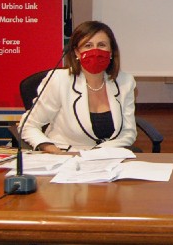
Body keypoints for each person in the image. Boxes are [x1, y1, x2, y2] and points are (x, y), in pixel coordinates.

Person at [20, 20, 137, 153]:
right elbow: (28, 126)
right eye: (88, 45)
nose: (95, 51)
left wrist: (98, 154)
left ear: (111, 52)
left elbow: (128, 133)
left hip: (107, 156)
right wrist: (51, 149)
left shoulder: (125, 81)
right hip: (65, 155)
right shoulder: (59, 80)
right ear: (76, 52)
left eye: (102, 45)